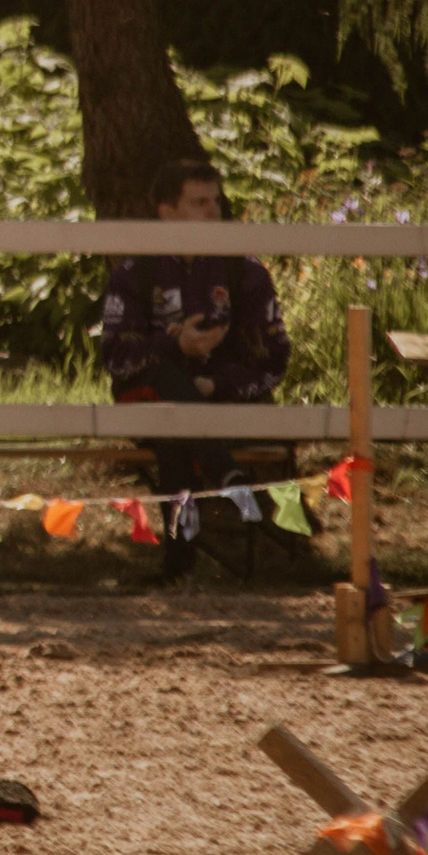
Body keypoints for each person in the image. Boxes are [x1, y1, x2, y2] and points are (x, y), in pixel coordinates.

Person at [100, 158, 292, 577]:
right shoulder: (136, 271)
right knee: (168, 386)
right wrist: (173, 343)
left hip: (226, 400)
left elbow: (275, 360)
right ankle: (224, 470)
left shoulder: (245, 271)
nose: (212, 213)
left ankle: (179, 562)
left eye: (216, 202)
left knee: (174, 426)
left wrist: (215, 383)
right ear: (167, 212)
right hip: (147, 396)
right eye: (199, 203)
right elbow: (114, 356)